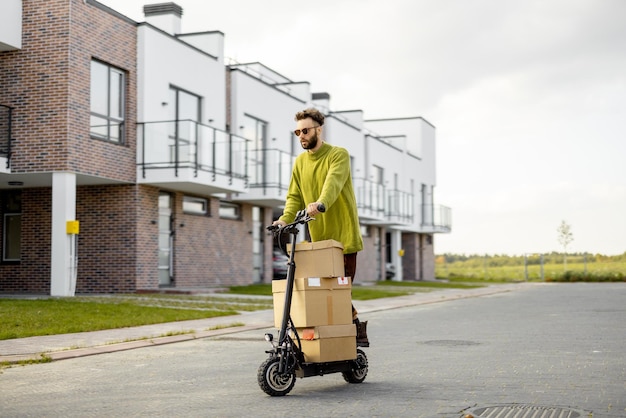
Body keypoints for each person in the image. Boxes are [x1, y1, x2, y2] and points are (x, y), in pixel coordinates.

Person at [272, 107, 369, 347]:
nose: (301, 136)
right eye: (297, 132)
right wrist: (284, 219)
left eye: (305, 131)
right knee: (321, 293)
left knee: (339, 292)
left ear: (318, 129)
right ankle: (334, 340)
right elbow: (294, 196)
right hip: (319, 241)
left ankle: (354, 335)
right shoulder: (300, 163)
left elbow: (333, 183)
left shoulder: (338, 155)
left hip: (343, 241)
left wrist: (321, 203)